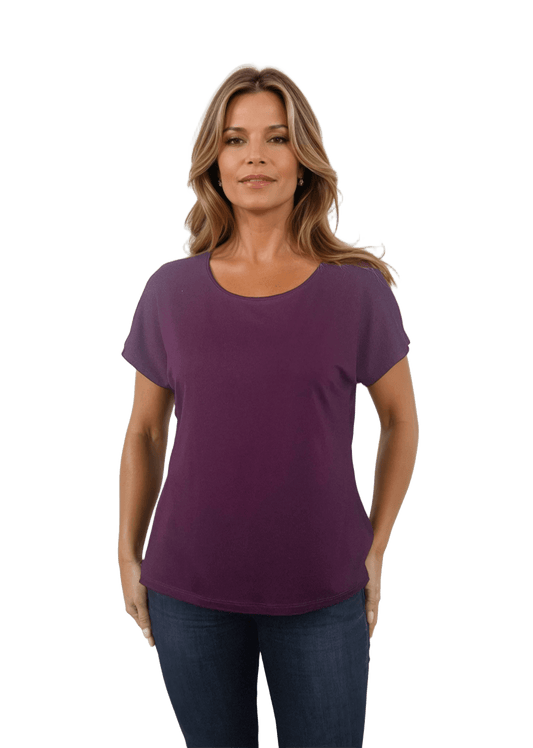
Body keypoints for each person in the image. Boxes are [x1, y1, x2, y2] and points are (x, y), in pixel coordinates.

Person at [118, 62, 419, 748]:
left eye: (276, 138)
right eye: (235, 139)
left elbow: (400, 421)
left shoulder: (358, 290)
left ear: (304, 160)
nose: (255, 155)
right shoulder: (169, 291)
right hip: (187, 591)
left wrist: (375, 549)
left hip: (324, 590)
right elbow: (144, 434)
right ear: (214, 163)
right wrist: (127, 554)